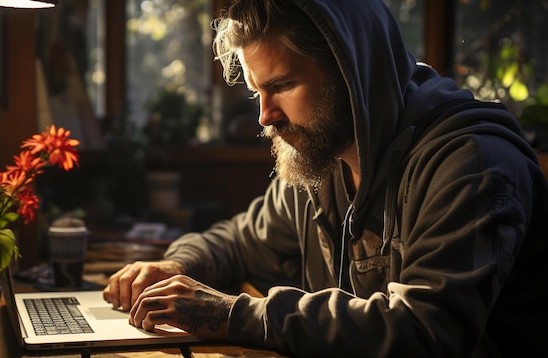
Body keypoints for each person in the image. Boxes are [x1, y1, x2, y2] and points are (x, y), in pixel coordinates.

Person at [103, 0, 548, 356]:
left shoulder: (471, 162)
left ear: (351, 73)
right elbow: (238, 240)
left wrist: (234, 315)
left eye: (281, 85)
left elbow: (427, 332)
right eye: (258, 92)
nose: (265, 115)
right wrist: (177, 265)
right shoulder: (321, 160)